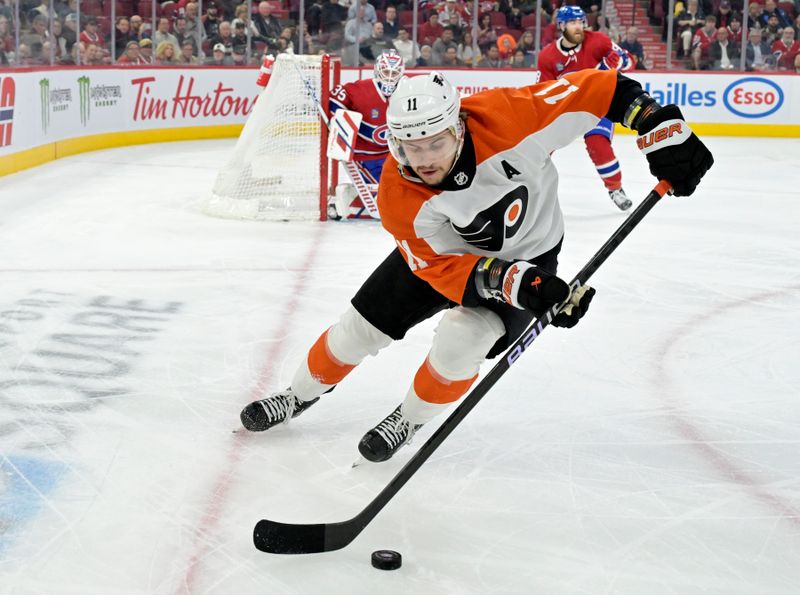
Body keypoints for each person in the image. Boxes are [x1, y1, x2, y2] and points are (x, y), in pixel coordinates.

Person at [239, 67, 713, 463]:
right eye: (408, 146)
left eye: (435, 143)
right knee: (357, 330)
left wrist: (655, 122)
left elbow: (604, 89)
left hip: (532, 249)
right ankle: (298, 394)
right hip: (442, 257)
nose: (422, 160)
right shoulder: (398, 196)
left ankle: (410, 417)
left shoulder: (511, 117)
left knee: (461, 341)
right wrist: (518, 286)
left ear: (459, 125)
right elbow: (439, 268)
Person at [538, 6, 635, 211]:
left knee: (597, 143)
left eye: (581, 22)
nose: (578, 27)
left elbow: (629, 61)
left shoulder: (598, 41)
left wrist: (617, 64)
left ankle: (615, 189)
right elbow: (543, 91)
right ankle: (530, 185)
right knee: (541, 146)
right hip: (567, 108)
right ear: (561, 26)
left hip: (598, 105)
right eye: (573, 23)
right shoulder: (548, 56)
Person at [327, 49, 405, 219]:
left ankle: (345, 198)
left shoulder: (406, 90)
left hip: (392, 154)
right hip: (364, 156)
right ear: (377, 70)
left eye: (395, 72)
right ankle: (340, 199)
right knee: (388, 193)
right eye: (386, 72)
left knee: (402, 187)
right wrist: (338, 121)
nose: (390, 77)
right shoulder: (361, 89)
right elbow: (334, 99)